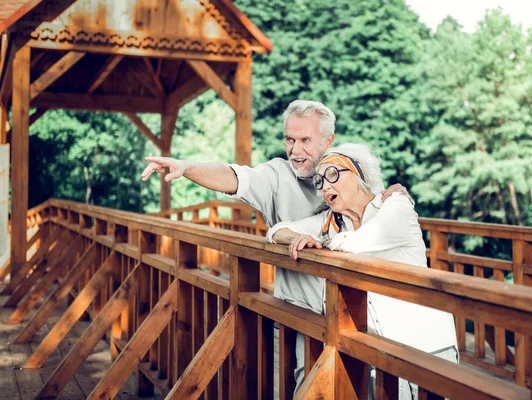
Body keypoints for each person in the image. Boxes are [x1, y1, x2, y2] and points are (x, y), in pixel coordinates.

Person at [141, 100, 406, 390]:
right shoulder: (277, 175)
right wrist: (187, 167)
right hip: (300, 315)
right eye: (290, 140)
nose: (295, 150)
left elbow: (372, 208)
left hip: (356, 314)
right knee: (303, 388)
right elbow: (235, 177)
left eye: (305, 140)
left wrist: (391, 196)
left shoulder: (344, 172)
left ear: (328, 141)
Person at [266, 143, 458, 399]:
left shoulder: (395, 204)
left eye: (333, 175)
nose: (325, 187)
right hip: (381, 348)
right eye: (320, 181)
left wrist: (321, 243)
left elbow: (357, 244)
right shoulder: (333, 221)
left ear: (360, 175)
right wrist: (297, 237)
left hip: (425, 344)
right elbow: (276, 231)